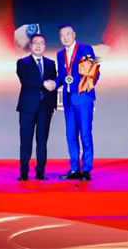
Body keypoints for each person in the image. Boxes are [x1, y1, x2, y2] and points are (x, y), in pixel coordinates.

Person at [47, 24, 100, 181]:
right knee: (70, 135)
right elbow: (62, 77)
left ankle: (87, 169)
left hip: (83, 98)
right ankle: (74, 168)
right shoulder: (60, 54)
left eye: (68, 34)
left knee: (85, 134)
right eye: (62, 35)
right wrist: (54, 83)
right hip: (68, 99)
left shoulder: (84, 48)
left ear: (74, 34)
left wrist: (83, 89)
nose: (65, 37)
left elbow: (93, 73)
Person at [16, 34, 58, 181]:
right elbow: (26, 81)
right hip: (27, 107)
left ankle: (40, 172)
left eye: (41, 43)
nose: (38, 45)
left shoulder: (50, 64)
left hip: (45, 108)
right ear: (31, 45)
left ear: (45, 46)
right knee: (26, 140)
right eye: (35, 42)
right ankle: (24, 172)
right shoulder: (23, 62)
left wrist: (53, 105)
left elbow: (53, 85)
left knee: (42, 140)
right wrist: (44, 84)